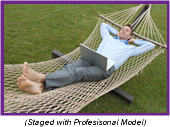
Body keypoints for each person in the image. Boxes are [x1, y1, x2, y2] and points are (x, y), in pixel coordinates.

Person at [17, 23, 155, 95]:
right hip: (91, 59)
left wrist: (133, 40)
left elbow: (151, 45)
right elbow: (104, 26)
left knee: (79, 72)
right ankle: (40, 86)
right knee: (70, 67)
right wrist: (117, 32)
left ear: (130, 37)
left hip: (104, 68)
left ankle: (41, 77)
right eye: (122, 29)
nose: (124, 31)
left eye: (127, 31)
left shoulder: (131, 49)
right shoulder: (108, 36)